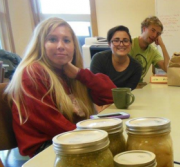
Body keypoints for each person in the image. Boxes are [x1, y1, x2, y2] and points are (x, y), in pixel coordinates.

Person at [5, 17, 116, 158]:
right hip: (48, 150)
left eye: (66, 40)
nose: (60, 46)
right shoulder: (32, 74)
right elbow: (53, 124)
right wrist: (95, 138)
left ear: (74, 46)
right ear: (40, 44)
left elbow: (112, 95)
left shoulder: (69, 73)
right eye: (52, 39)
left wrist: (79, 74)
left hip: (72, 139)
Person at [90, 25, 142, 90]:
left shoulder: (136, 67)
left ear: (130, 44)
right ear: (109, 44)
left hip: (123, 99)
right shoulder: (98, 59)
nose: (121, 44)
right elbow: (96, 88)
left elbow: (126, 93)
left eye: (125, 41)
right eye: (116, 40)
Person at [129, 16, 170, 82]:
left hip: (139, 86)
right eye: (153, 30)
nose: (154, 35)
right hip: (124, 86)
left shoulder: (152, 51)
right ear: (144, 28)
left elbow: (168, 69)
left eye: (158, 34)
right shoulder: (129, 44)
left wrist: (162, 45)